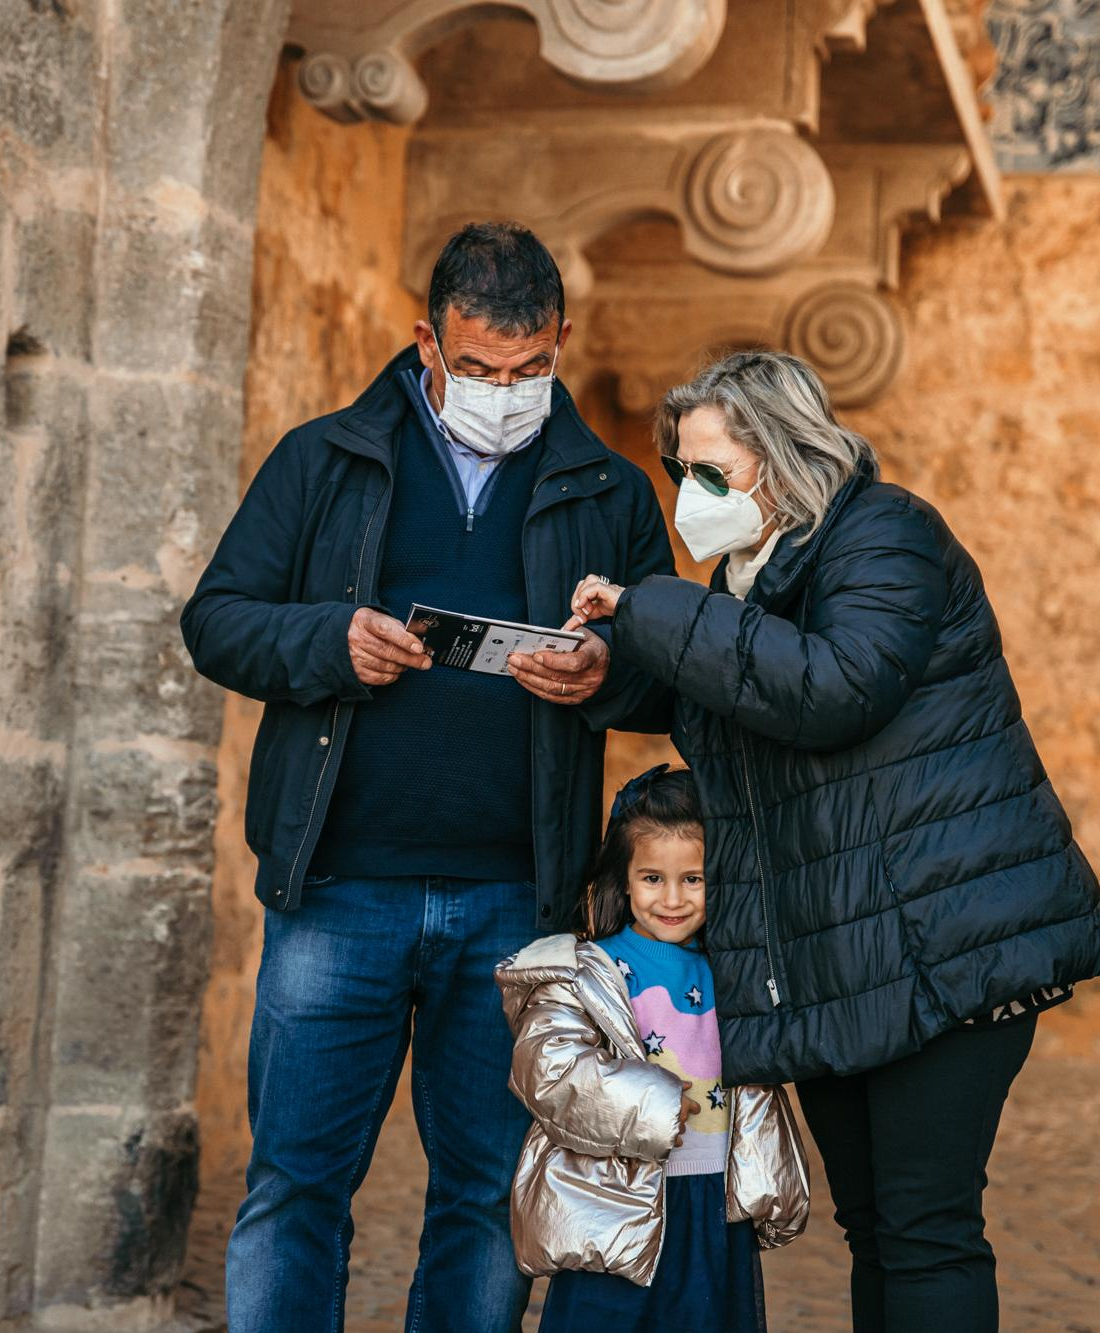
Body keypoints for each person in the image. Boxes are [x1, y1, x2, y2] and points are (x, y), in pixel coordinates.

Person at [566, 350, 1100, 1331]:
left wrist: (652, 604)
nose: (690, 494)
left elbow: (830, 687)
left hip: (943, 943)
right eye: (680, 473)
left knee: (924, 1227)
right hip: (842, 954)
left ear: (782, 458)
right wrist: (600, 668)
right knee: (875, 1226)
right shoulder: (751, 579)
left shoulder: (883, 535)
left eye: (711, 471)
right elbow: (730, 689)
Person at [180, 222, 675, 1332]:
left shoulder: (608, 489)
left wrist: (603, 673)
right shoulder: (324, 460)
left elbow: (668, 679)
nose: (506, 390)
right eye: (481, 369)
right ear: (425, 343)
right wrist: (326, 644)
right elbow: (215, 622)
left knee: (482, 1196)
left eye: (531, 368)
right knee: (296, 1185)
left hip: (515, 901)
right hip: (337, 891)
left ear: (560, 343)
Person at [496, 765, 808, 1333]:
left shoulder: (738, 971)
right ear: (624, 878)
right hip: (616, 1204)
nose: (673, 899)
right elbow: (550, 1070)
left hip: (715, 1200)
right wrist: (653, 1103)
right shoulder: (585, 970)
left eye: (695, 879)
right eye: (652, 878)